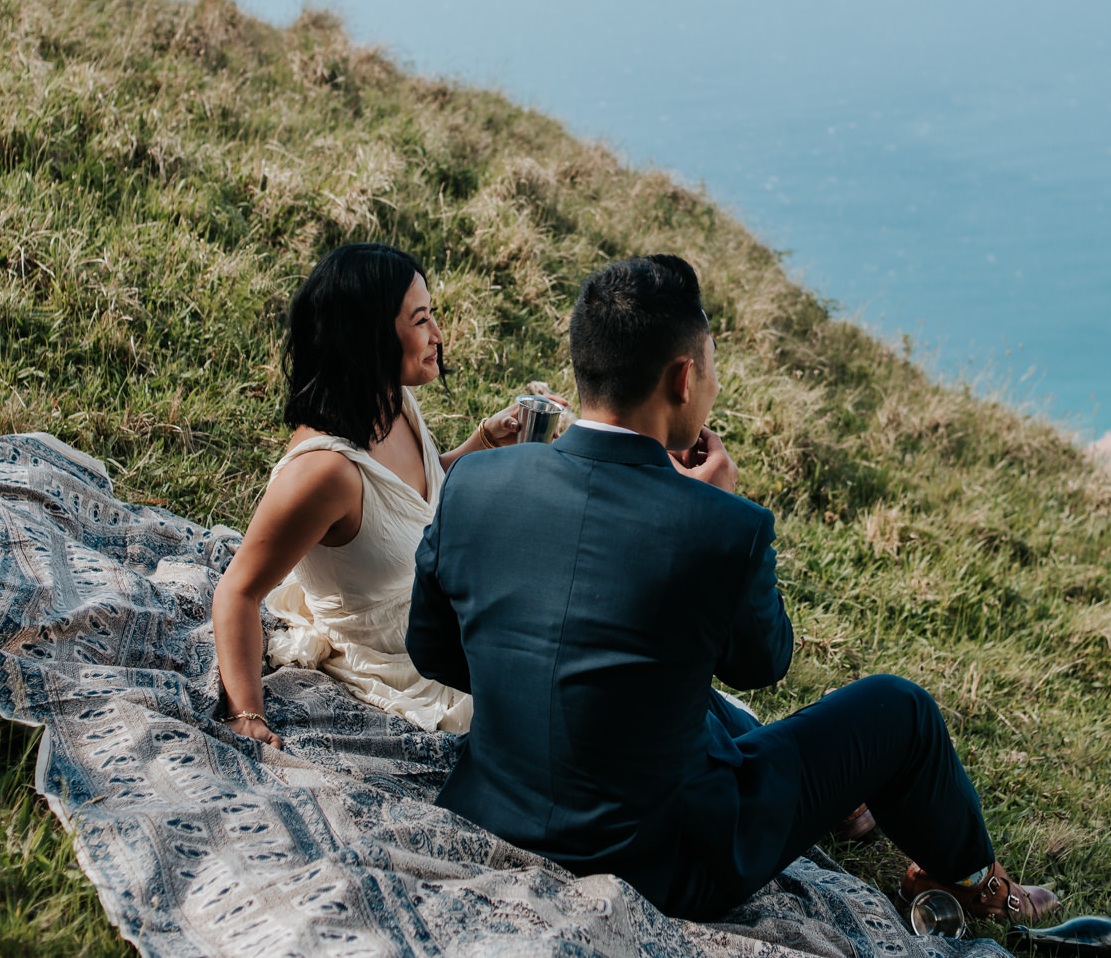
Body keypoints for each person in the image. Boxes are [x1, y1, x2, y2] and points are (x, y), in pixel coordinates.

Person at [406, 254, 1060, 924]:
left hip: (491, 810)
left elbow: (430, 648)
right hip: (660, 863)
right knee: (901, 709)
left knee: (674, 694)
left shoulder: (478, 484)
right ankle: (982, 884)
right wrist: (708, 513)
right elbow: (761, 662)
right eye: (712, 366)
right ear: (684, 378)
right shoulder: (723, 526)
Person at [210, 242, 546, 743]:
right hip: (402, 663)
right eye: (420, 320)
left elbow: (411, 504)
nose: (437, 336)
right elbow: (237, 590)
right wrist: (248, 715)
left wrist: (487, 440)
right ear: (370, 337)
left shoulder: (394, 401)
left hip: (449, 619)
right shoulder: (324, 473)